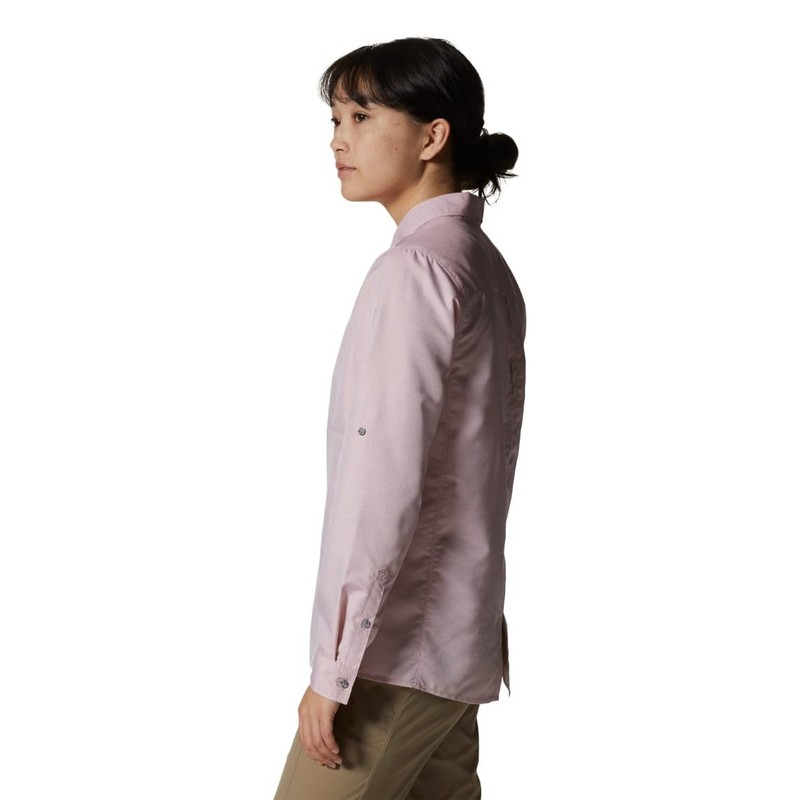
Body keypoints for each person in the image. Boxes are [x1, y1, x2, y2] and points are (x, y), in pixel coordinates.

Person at [274, 37, 526, 800]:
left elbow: (380, 482)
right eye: (334, 118)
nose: (337, 138)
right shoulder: (482, 265)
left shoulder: (415, 270)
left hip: (393, 656)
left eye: (361, 115)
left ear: (431, 136)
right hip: (454, 647)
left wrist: (334, 668)